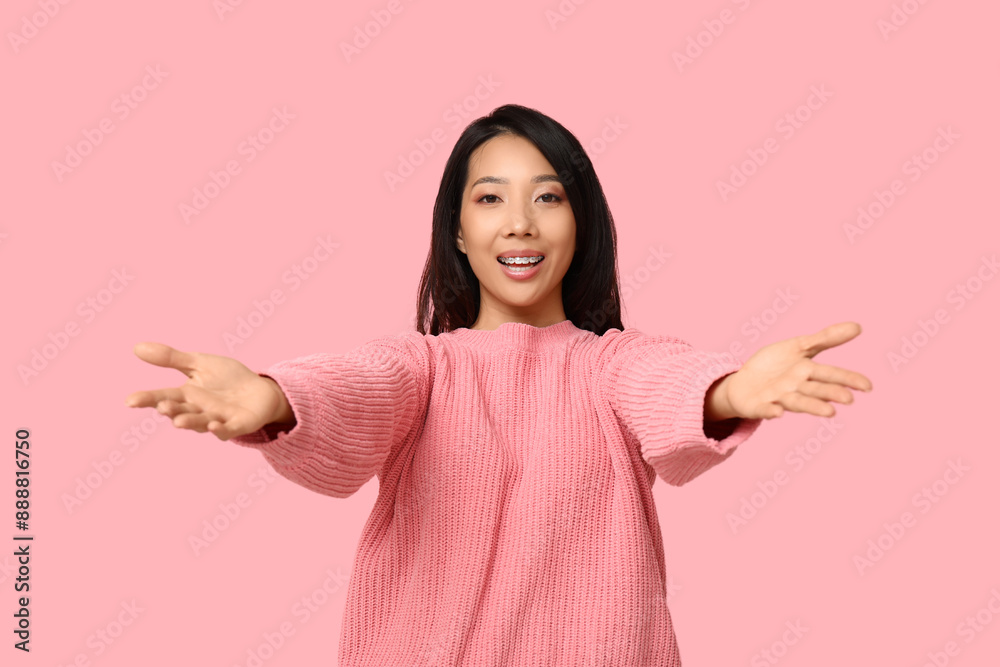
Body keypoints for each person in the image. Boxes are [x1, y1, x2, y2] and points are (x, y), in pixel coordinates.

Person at [125, 104, 872, 665]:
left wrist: (731, 393)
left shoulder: (611, 364)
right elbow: (359, 384)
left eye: (548, 197)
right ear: (456, 228)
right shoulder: (422, 368)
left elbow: (666, 383)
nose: (519, 223)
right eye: (489, 199)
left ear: (580, 224)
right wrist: (277, 399)